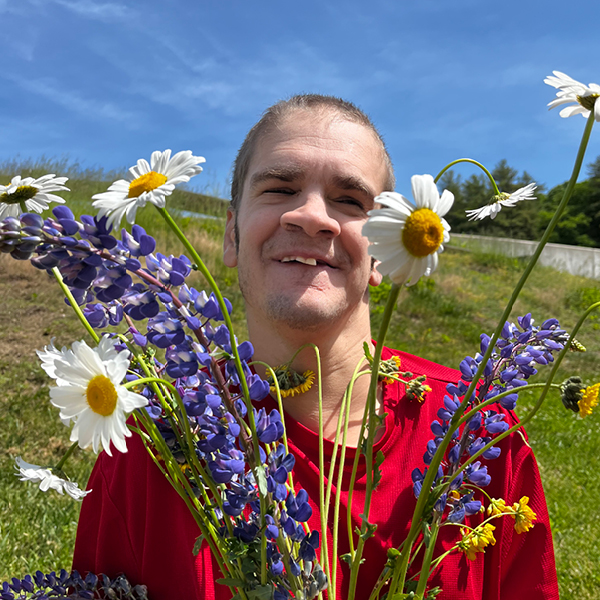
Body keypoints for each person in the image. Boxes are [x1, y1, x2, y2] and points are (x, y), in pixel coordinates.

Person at [73, 95, 559, 600]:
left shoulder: (480, 430)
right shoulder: (153, 445)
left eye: (350, 201)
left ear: (384, 251)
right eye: (280, 188)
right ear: (231, 236)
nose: (311, 216)